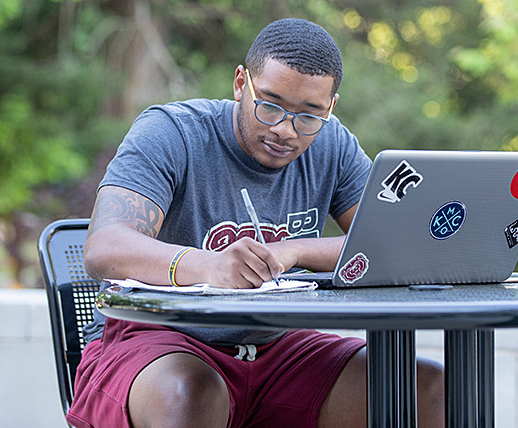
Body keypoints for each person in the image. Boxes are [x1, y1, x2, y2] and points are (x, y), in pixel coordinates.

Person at [68, 18, 444, 428]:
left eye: (309, 116)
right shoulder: (172, 131)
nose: (285, 129)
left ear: (331, 107)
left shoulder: (334, 144)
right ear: (239, 83)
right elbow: (105, 247)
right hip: (157, 340)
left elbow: (395, 243)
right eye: (269, 105)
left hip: (275, 348)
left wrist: (295, 250)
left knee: (426, 388)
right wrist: (208, 266)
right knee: (190, 393)